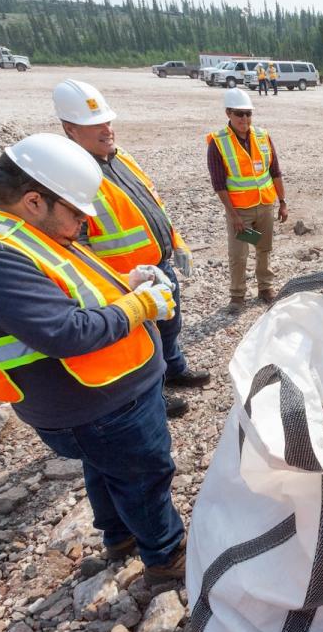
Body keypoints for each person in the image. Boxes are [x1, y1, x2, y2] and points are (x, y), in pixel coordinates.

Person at [0, 133, 185, 585]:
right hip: (96, 405)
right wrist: (139, 307)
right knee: (145, 475)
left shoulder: (19, 233)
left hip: (102, 399)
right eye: (75, 212)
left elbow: (65, 288)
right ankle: (166, 556)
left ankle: (121, 536)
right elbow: (63, 331)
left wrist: (124, 282)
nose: (82, 225)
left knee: (109, 469)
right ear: (34, 200)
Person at [54, 79, 210, 419]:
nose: (106, 129)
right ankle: (153, 393)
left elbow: (153, 205)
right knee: (142, 341)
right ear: (70, 129)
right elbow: (74, 241)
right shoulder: (73, 176)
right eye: (95, 125)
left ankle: (174, 370)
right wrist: (111, 283)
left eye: (107, 121)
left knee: (169, 326)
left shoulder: (122, 159)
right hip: (125, 280)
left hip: (158, 266)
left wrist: (176, 243)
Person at [208, 88, 288, 312]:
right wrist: (233, 216)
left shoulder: (263, 136)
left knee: (263, 248)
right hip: (240, 211)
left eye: (248, 114)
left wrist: (282, 202)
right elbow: (219, 184)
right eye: (239, 114)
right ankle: (237, 295)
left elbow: (275, 172)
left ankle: (265, 287)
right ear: (228, 113)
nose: (244, 119)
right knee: (239, 254)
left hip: (264, 205)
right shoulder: (218, 142)